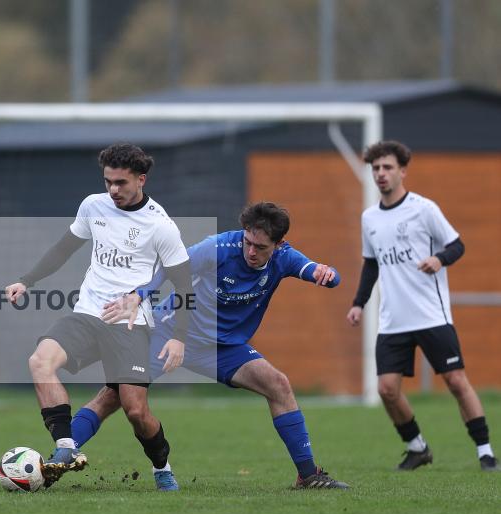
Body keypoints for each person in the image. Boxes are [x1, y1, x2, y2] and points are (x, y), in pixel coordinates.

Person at [77, 202, 350, 489]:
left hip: (224, 348)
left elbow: (319, 272)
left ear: (278, 244)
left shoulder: (285, 258)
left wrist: (326, 273)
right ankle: (61, 453)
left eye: (261, 247)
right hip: (168, 334)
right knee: (112, 397)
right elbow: (171, 267)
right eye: (248, 242)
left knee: (278, 384)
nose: (252, 252)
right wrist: (139, 295)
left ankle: (308, 475)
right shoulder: (218, 247)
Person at [4, 142, 193, 490]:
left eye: (121, 183)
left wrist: (179, 338)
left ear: (141, 179)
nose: (113, 190)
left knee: (135, 411)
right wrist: (26, 280)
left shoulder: (161, 227)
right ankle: (65, 447)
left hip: (131, 325)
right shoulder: (94, 206)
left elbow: (184, 286)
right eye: (108, 181)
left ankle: (161, 466)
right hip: (88, 313)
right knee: (40, 361)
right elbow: (63, 249)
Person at [347, 140, 497, 472]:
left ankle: (485, 452)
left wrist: (439, 259)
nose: (381, 174)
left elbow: (457, 245)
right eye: (376, 168)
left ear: (402, 171)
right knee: (387, 389)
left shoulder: (423, 208)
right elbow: (371, 265)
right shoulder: (369, 217)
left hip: (431, 314)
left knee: (456, 381)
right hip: (392, 320)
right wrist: (359, 303)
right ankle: (418, 448)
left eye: (387, 167)